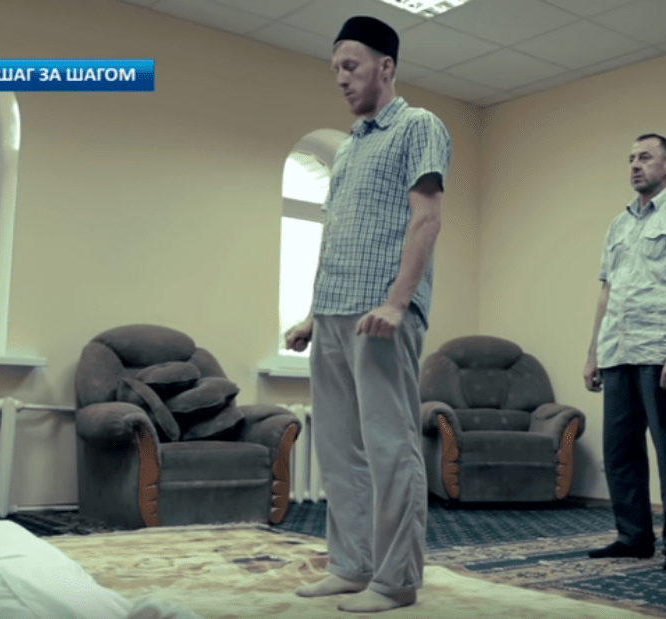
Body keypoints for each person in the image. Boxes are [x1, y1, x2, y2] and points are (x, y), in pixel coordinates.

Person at [283, 15, 451, 614]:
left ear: (385, 66)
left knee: (390, 446)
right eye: (335, 68)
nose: (340, 78)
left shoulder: (419, 126)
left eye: (350, 65)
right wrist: (311, 313)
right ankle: (351, 566)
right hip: (334, 312)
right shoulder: (349, 146)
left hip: (382, 313)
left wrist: (398, 301)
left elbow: (426, 218)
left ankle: (396, 578)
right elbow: (334, 235)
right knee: (338, 449)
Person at [583, 133, 666, 571]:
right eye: (631, 158)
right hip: (617, 350)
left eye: (646, 157)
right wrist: (594, 353)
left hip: (659, 350)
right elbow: (607, 292)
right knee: (619, 451)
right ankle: (633, 536)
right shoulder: (618, 224)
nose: (635, 165)